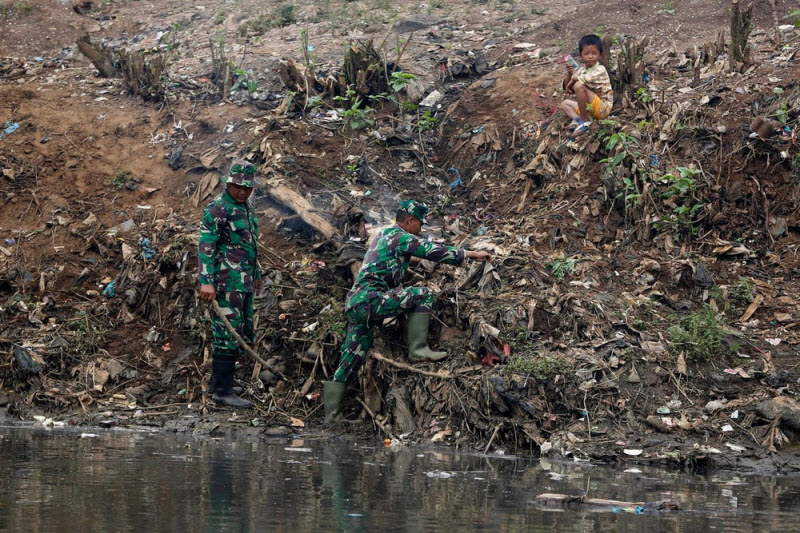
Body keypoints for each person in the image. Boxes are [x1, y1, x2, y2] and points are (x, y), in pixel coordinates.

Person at [323, 200, 492, 425]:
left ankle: (331, 417)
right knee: (423, 294)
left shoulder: (384, 235)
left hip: (357, 304)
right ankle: (418, 349)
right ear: (410, 220)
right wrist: (470, 254)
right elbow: (433, 251)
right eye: (420, 224)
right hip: (370, 300)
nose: (420, 229)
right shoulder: (400, 236)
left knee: (352, 356)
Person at [198, 160, 262, 408]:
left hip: (243, 281)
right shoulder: (218, 208)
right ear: (229, 184)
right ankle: (223, 392)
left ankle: (219, 383)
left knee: (238, 330)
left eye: (247, 188)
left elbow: (249, 243)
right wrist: (206, 282)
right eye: (238, 187)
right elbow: (206, 246)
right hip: (225, 282)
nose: (243, 191)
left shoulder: (246, 207)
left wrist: (256, 274)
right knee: (226, 333)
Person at [560, 34, 613, 137]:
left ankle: (583, 121)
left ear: (600, 55)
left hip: (602, 109)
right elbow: (566, 88)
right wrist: (570, 74)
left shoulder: (600, 69)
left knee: (579, 85)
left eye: (594, 53)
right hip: (589, 108)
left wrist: (573, 80)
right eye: (586, 53)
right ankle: (576, 119)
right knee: (565, 104)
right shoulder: (582, 71)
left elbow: (583, 80)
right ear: (581, 55)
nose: (590, 56)